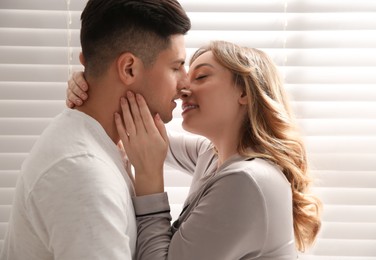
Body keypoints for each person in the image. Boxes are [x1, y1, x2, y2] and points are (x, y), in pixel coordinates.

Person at [67, 40, 322, 259]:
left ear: (244, 92)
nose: (183, 90)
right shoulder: (212, 156)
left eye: (200, 77)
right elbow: (144, 133)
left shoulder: (246, 182)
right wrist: (95, 85)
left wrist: (150, 178)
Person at [0, 0, 190, 259]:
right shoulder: (84, 175)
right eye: (176, 67)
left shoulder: (104, 144)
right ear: (128, 68)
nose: (186, 83)